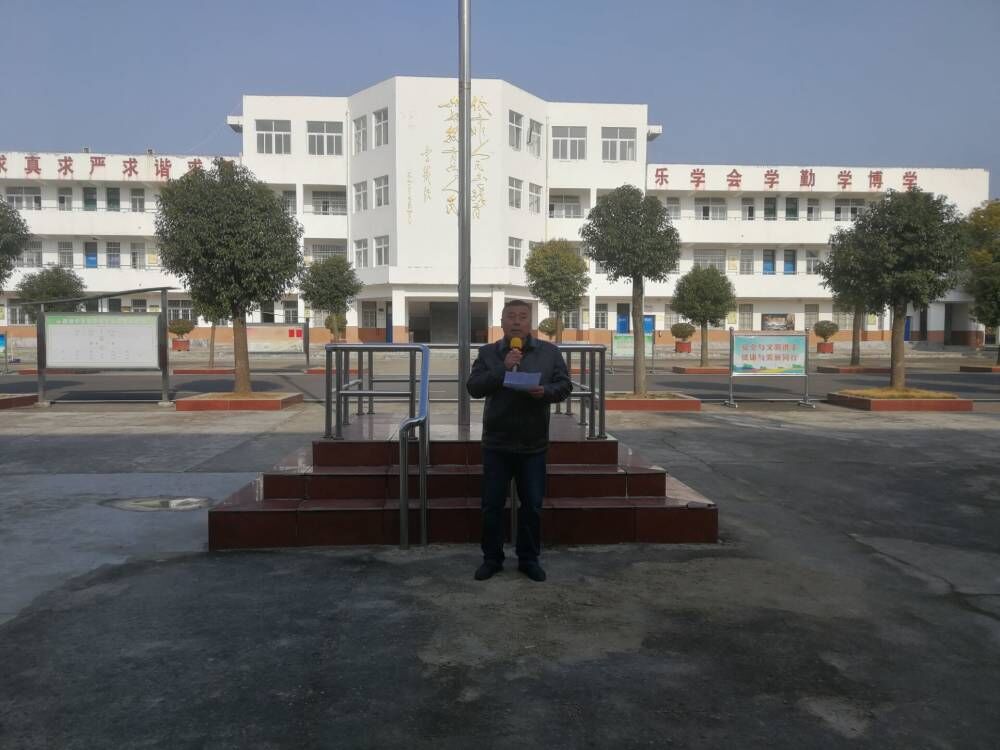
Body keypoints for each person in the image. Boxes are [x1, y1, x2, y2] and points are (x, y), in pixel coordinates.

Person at [466, 299, 572, 582]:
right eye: (511, 316)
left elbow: (564, 386)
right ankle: (492, 559)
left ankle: (529, 559)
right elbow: (474, 387)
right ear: (501, 322)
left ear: (530, 323)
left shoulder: (549, 352)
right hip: (497, 443)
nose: (516, 321)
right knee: (491, 506)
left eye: (522, 317)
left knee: (532, 506)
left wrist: (545, 391)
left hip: (533, 444)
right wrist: (503, 368)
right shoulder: (488, 353)